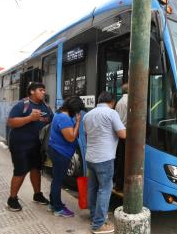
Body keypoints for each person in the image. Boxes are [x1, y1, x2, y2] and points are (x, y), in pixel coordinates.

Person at [6, 82, 53, 211]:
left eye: (44, 90)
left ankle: (37, 195)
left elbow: (51, 122)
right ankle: (12, 199)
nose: (43, 92)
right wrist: (30, 118)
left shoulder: (46, 107)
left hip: (37, 146)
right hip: (20, 145)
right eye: (41, 90)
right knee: (20, 171)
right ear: (32, 91)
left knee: (36, 170)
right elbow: (11, 122)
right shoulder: (23, 105)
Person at [84, 91, 126, 234]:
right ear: (112, 102)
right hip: (105, 158)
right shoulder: (111, 113)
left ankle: (94, 215)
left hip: (90, 157)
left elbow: (86, 134)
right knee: (105, 189)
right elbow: (123, 134)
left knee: (93, 187)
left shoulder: (88, 115)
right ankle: (98, 224)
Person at [48, 96, 85, 217]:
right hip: (60, 153)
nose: (78, 113)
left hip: (57, 150)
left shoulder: (60, 114)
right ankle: (58, 209)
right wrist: (78, 122)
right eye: (78, 110)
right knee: (58, 180)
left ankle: (53, 204)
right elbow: (71, 137)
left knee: (56, 179)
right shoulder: (64, 118)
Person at [114, 83, 128, 192]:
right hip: (127, 134)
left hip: (120, 132)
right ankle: (121, 184)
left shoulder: (119, 102)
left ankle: (118, 184)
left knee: (120, 159)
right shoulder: (130, 101)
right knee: (124, 161)